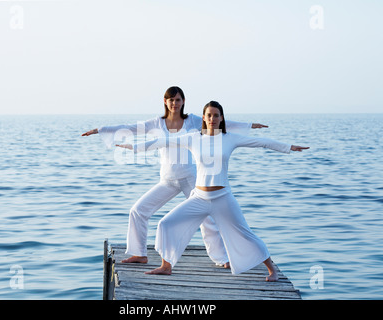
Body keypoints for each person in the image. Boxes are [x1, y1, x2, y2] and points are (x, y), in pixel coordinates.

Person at [117, 101, 309, 281]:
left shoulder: (230, 138)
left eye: (216, 115)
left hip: (222, 197)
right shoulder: (193, 138)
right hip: (199, 197)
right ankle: (166, 266)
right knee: (166, 224)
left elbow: (262, 142)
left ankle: (271, 269)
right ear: (203, 118)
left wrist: (289, 147)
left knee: (245, 233)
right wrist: (133, 147)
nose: (212, 119)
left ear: (221, 118)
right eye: (209, 115)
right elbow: (163, 142)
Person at [82, 87, 268, 267]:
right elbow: (130, 128)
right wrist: (101, 129)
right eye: (171, 100)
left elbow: (220, 121)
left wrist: (250, 126)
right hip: (167, 180)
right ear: (165, 102)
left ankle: (221, 258)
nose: (175, 103)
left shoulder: (193, 121)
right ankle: (139, 254)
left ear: (183, 101)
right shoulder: (156, 123)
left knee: (207, 221)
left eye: (178, 100)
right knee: (138, 211)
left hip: (190, 178)